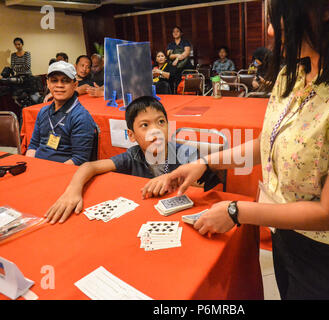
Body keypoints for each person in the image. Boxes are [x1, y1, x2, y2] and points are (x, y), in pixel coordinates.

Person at [141, 0, 329, 300]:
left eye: (279, 19)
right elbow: (271, 142)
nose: (271, 31)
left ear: (326, 11)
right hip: (286, 228)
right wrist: (206, 164)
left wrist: (238, 211)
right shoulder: (295, 73)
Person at [45, 96, 220, 224]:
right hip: (145, 218)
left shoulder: (187, 152)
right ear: (131, 135)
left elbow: (203, 189)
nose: (155, 130)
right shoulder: (133, 155)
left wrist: (171, 179)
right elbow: (89, 166)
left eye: (161, 122)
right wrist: (73, 190)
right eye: (145, 125)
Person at [26, 61, 96, 167]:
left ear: (75, 84)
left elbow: (79, 159)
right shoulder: (43, 112)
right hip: (37, 167)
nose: (59, 85)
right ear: (48, 84)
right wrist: (31, 166)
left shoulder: (81, 117)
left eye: (65, 81)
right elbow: (33, 146)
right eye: (54, 81)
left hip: (62, 172)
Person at [167, 26, 193, 91]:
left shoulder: (185, 42)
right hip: (174, 66)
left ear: (181, 33)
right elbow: (169, 55)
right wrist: (177, 55)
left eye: (177, 31)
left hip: (185, 66)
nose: (175, 33)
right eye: (174, 32)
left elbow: (186, 54)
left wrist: (176, 59)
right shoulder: (171, 44)